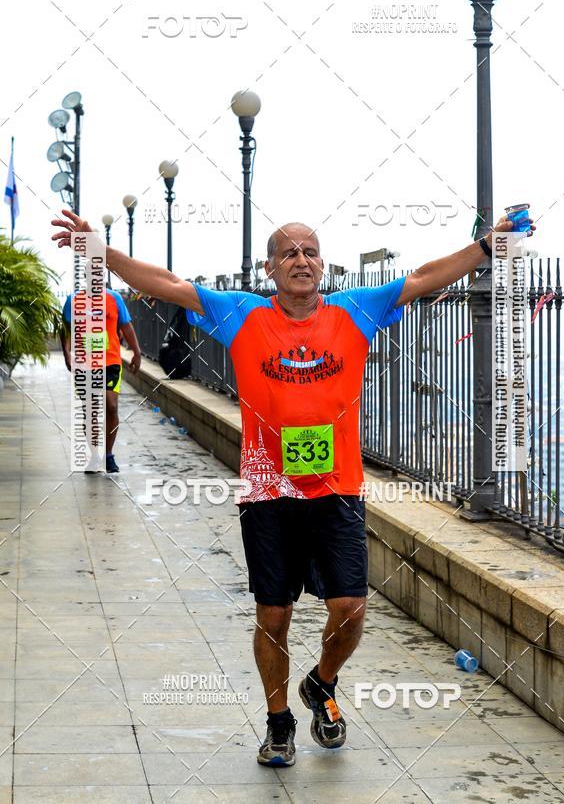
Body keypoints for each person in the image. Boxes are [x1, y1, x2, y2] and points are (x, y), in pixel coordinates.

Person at [51, 207, 534, 766]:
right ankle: (278, 721)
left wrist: (486, 244)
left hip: (337, 491)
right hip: (269, 492)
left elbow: (425, 278)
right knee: (273, 615)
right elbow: (168, 285)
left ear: (322, 264)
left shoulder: (356, 309)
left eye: (310, 252)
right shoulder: (242, 314)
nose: (301, 260)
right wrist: (99, 252)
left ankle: (322, 684)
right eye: (289, 253)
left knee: (351, 608)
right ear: (270, 269)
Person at [61, 282, 142, 473]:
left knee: (111, 406)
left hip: (110, 361)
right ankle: (94, 456)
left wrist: (137, 352)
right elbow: (65, 329)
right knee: (90, 410)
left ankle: (109, 455)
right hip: (84, 364)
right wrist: (67, 354)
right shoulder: (73, 300)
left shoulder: (114, 298)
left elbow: (126, 326)